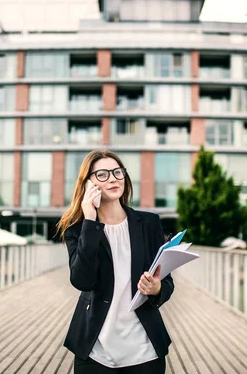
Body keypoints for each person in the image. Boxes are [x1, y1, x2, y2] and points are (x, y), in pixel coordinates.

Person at [57, 150, 173, 373]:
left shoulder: (148, 223)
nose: (112, 178)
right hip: (95, 350)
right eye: (102, 174)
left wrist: (157, 288)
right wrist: (90, 220)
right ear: (88, 183)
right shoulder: (78, 231)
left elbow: (166, 281)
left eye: (117, 172)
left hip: (145, 350)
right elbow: (82, 280)